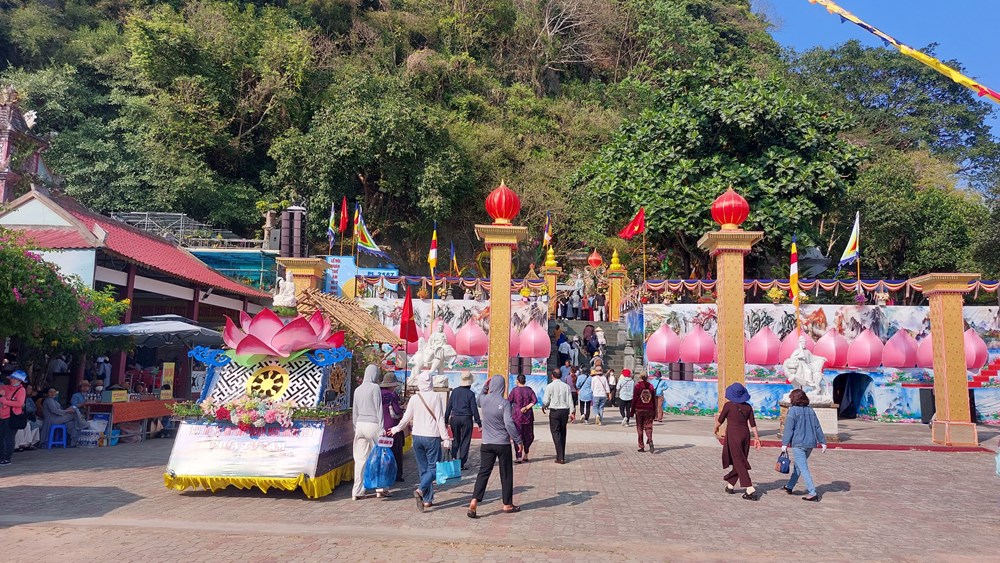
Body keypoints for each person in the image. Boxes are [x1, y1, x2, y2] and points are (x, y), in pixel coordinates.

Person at [389, 372, 451, 512]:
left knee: (424, 469)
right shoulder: (436, 397)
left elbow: (406, 418)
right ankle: (421, 490)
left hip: (417, 436)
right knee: (434, 468)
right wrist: (446, 438)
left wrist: (396, 429)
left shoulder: (414, 398)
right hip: (432, 436)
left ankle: (427, 499)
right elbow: (440, 419)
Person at [467, 375, 523, 518]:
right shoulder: (504, 403)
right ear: (503, 387)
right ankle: (507, 504)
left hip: (486, 443)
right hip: (502, 443)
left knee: (483, 473)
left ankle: (474, 500)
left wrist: (485, 387)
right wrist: (518, 440)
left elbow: (479, 398)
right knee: (506, 473)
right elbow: (509, 423)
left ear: (491, 386)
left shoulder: (484, 400)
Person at [714, 383, 762, 501]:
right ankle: (730, 485)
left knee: (739, 461)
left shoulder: (728, 405)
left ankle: (749, 488)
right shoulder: (748, 407)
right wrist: (757, 438)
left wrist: (715, 428)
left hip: (733, 435)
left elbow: (720, 420)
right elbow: (753, 424)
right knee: (739, 459)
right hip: (745, 435)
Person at [782, 389, 827, 502]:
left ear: (793, 399)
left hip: (798, 443)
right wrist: (822, 441)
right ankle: (790, 486)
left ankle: (812, 492)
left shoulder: (792, 411)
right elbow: (817, 426)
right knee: (799, 465)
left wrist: (784, 443)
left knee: (803, 467)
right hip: (810, 443)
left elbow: (789, 429)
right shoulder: (810, 410)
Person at [351, 365, 384, 500]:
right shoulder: (375, 388)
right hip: (373, 424)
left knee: (360, 460)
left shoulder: (357, 390)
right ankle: (380, 488)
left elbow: (355, 411)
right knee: (378, 457)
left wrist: (355, 427)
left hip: (359, 425)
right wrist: (381, 429)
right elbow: (379, 409)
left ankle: (357, 491)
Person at [446, 371, 481, 470]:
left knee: (456, 439)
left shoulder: (455, 392)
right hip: (466, 418)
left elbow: (449, 406)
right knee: (465, 440)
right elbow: (474, 409)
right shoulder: (470, 394)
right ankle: (461, 463)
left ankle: (453, 458)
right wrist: (478, 422)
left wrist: (445, 419)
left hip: (455, 418)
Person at [542, 368, 574, 464]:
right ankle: (561, 455)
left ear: (552, 375)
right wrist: (572, 412)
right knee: (563, 432)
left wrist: (544, 406)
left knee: (556, 433)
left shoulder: (549, 386)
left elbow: (546, 400)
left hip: (555, 411)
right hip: (564, 411)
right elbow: (570, 400)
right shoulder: (566, 386)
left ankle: (560, 456)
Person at [379, 372, 405, 483]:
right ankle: (396, 475)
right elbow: (397, 411)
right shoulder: (392, 395)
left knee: (383, 452)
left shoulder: (378, 394)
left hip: (381, 426)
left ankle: (384, 474)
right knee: (396, 452)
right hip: (392, 426)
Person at [1, 370, 28, 465]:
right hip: (2, 416)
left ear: (19, 380)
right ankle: (1, 457)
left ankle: (7, 458)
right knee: (1, 437)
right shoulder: (5, 387)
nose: (11, 379)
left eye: (13, 378)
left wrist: (4, 401)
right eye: (11, 378)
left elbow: (19, 403)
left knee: (8, 438)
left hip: (12, 417)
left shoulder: (21, 390)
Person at [508, 375, 537, 463]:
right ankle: (526, 454)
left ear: (517, 381)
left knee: (517, 436)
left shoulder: (514, 390)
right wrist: (527, 407)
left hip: (517, 416)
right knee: (528, 435)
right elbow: (534, 400)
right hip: (528, 416)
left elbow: (509, 401)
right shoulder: (529, 390)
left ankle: (518, 456)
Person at [630, 371, 657, 452]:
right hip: (649, 409)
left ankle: (641, 446)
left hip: (639, 409)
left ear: (640, 377)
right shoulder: (651, 386)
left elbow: (634, 399)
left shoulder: (638, 386)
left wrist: (632, 411)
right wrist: (655, 412)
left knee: (640, 427)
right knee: (648, 426)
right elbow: (653, 400)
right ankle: (650, 439)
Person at [15, 383, 40, 451]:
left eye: (31, 389)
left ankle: (28, 443)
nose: (30, 390)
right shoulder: (20, 397)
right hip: (18, 417)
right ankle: (18, 445)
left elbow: (34, 408)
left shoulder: (29, 398)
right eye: (29, 389)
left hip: (27, 417)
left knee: (34, 425)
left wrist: (30, 409)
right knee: (25, 425)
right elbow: (27, 409)